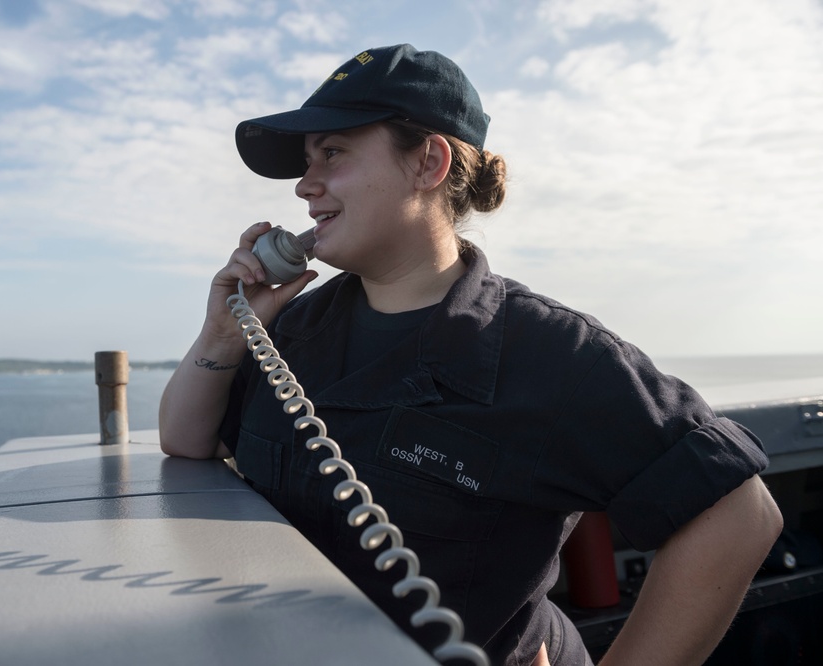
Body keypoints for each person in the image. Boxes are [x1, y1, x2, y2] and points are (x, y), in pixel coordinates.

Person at [158, 44, 782, 666]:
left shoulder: (549, 353)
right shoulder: (293, 327)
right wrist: (222, 335)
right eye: (306, 159)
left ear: (428, 162)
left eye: (333, 152)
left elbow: (738, 516)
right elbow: (186, 439)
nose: (303, 184)